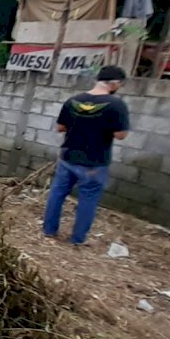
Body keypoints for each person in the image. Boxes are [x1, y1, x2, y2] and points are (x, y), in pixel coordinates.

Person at [43, 65, 131, 246]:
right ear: (115, 83)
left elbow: (60, 127)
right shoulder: (116, 105)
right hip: (94, 161)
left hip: (68, 156)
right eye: (120, 84)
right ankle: (77, 239)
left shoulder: (73, 101)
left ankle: (49, 230)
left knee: (57, 193)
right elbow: (121, 135)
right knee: (88, 199)